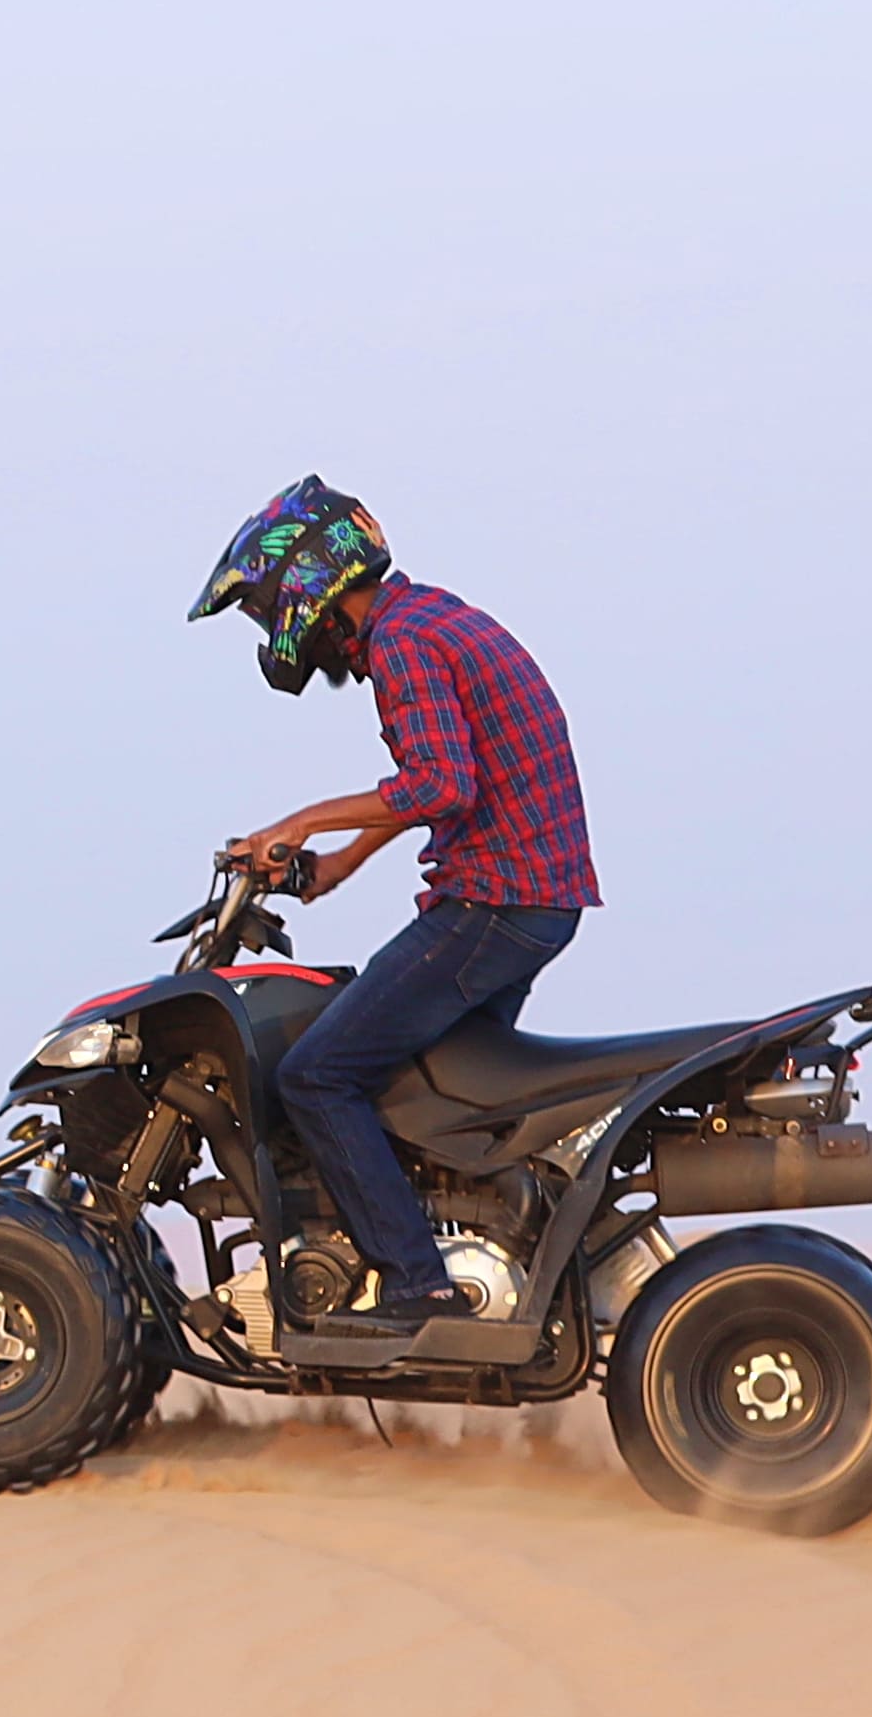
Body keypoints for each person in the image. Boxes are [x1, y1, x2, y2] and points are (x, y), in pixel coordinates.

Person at [190, 479, 598, 1331]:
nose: (272, 634)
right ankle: (486, 1250)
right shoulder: (427, 621)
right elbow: (435, 786)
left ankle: (418, 1289)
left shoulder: (404, 645)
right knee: (434, 1094)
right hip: (526, 899)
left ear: (307, 587)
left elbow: (438, 783)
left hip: (495, 901)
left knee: (318, 1075)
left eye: (266, 610)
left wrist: (300, 820)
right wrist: (338, 861)